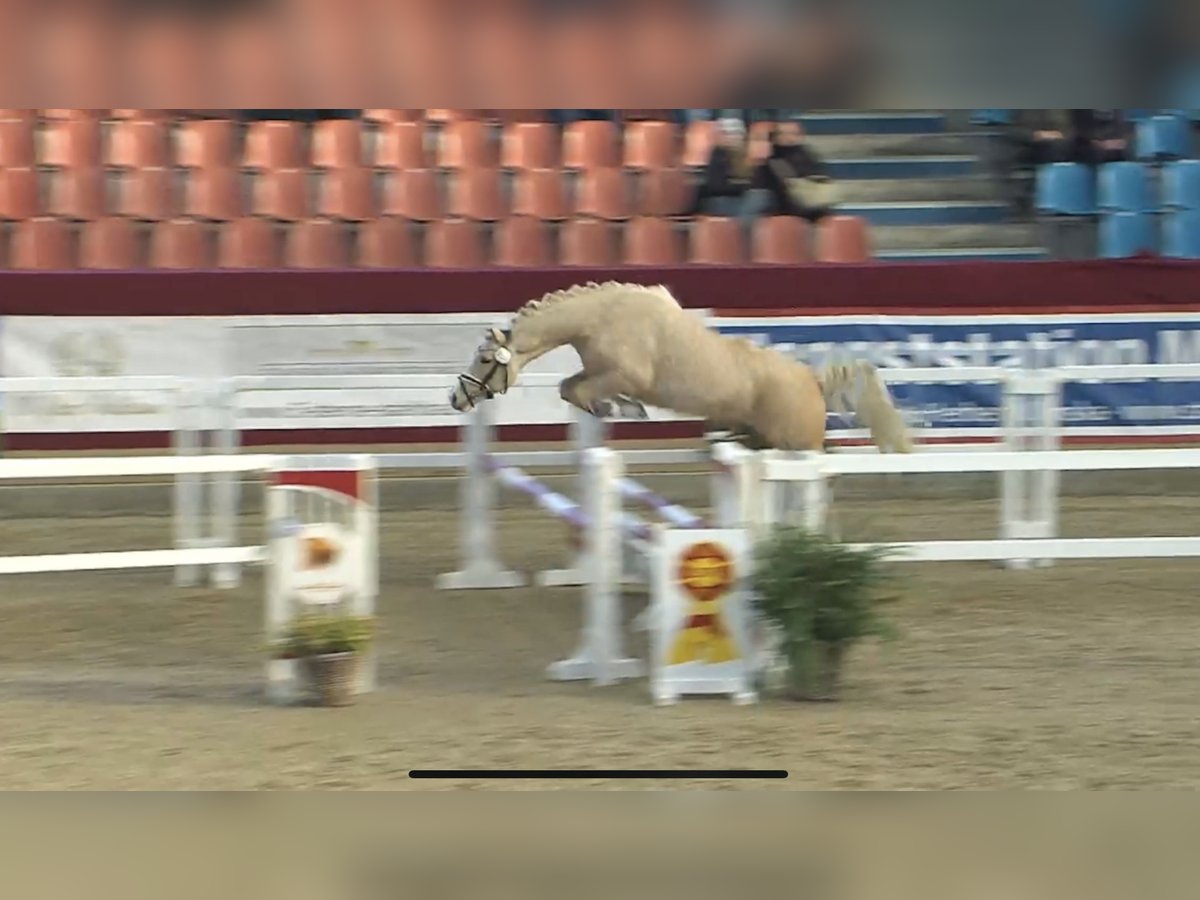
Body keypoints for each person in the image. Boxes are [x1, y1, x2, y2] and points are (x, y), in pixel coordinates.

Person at [753, 122, 837, 222]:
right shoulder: (772, 159)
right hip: (782, 208)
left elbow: (821, 177)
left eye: (794, 133)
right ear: (776, 136)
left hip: (811, 206)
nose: (789, 137)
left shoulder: (808, 155)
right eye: (784, 133)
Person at [688, 117, 756, 217]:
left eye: (737, 133)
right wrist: (744, 187)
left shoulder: (747, 156)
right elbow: (716, 186)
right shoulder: (718, 154)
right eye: (728, 134)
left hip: (738, 200)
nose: (733, 137)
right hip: (718, 201)